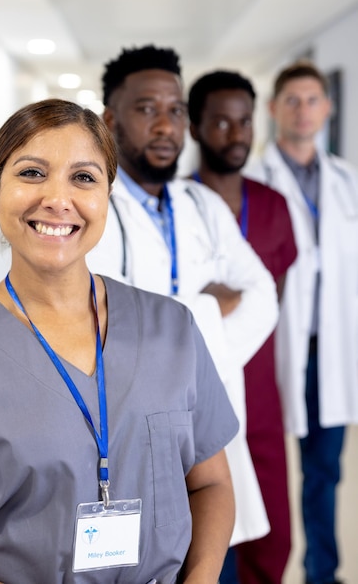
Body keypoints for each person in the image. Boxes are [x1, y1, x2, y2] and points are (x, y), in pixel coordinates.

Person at [0, 98, 240, 584]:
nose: (58, 198)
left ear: (107, 195)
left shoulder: (172, 328)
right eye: (32, 173)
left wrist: (201, 578)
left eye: (84, 178)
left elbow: (211, 484)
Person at [86, 45, 280, 547]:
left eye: (176, 111)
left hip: (208, 436)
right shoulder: (91, 207)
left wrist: (175, 335)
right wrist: (212, 306)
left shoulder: (202, 204)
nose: (166, 126)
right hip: (128, 433)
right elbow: (98, 322)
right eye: (147, 109)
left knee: (212, 551)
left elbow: (263, 294)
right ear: (111, 119)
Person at [245, 61, 358, 584]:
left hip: (331, 352)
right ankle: (261, 570)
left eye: (313, 100)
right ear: (273, 109)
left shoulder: (347, 180)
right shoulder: (251, 182)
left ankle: (322, 573)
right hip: (270, 352)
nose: (304, 110)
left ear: (328, 108)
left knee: (324, 473)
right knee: (263, 470)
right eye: (292, 100)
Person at [188, 70, 297, 584]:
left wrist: (222, 301)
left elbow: (269, 295)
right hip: (199, 390)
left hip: (260, 384)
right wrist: (215, 302)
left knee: (272, 530)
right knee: (208, 530)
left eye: (245, 122)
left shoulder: (273, 205)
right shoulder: (178, 205)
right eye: (221, 122)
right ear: (196, 127)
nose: (236, 135)